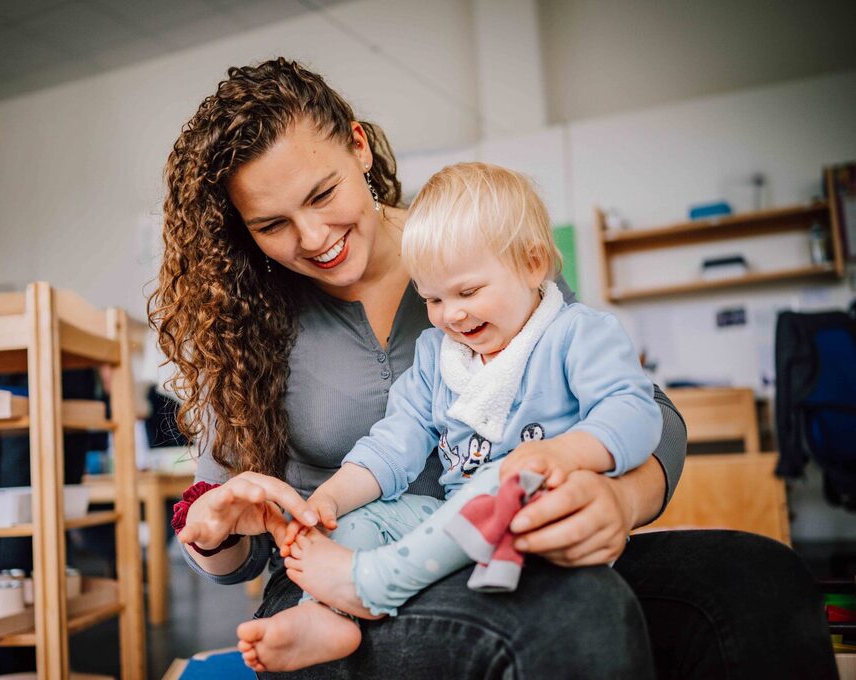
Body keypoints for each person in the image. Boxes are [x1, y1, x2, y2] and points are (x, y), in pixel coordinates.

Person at [152, 58, 836, 679]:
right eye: (271, 225)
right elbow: (221, 530)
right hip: (335, 578)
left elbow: (642, 408)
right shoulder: (241, 321)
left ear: (358, 147)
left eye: (323, 192)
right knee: (572, 610)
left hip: (505, 539)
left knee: (760, 581)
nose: (311, 238)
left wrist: (621, 502)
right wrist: (212, 531)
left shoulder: (473, 241)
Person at [237, 162, 663, 671]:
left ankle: (371, 585)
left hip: (537, 518)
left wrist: (563, 452)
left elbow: (634, 410)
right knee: (361, 517)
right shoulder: (439, 354)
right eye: (432, 298)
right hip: (456, 517)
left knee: (501, 480)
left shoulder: (577, 335)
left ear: (532, 264)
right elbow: (395, 440)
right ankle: (325, 614)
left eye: (467, 292)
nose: (451, 315)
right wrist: (330, 497)